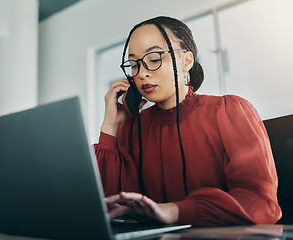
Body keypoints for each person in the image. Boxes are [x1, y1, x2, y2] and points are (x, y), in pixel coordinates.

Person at [94, 16, 281, 227]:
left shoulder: (229, 111)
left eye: (154, 59)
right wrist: (110, 126)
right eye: (134, 64)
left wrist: (175, 211)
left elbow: (261, 203)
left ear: (187, 61)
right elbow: (107, 208)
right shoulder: (130, 129)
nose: (142, 73)